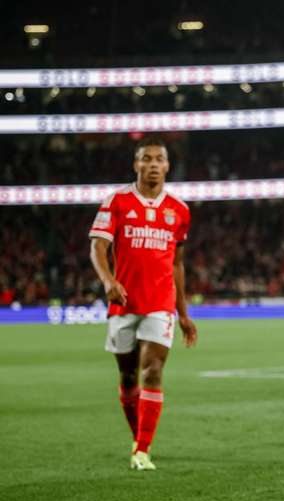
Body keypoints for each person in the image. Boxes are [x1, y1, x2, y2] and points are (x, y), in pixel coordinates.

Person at [88, 137, 197, 471]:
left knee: (153, 369)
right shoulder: (117, 202)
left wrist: (183, 312)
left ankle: (142, 449)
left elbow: (177, 264)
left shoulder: (179, 210)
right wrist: (109, 281)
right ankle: (139, 435)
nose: (152, 164)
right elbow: (98, 247)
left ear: (167, 166)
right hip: (123, 302)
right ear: (136, 164)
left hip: (160, 303)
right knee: (127, 375)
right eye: (146, 158)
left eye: (159, 159)